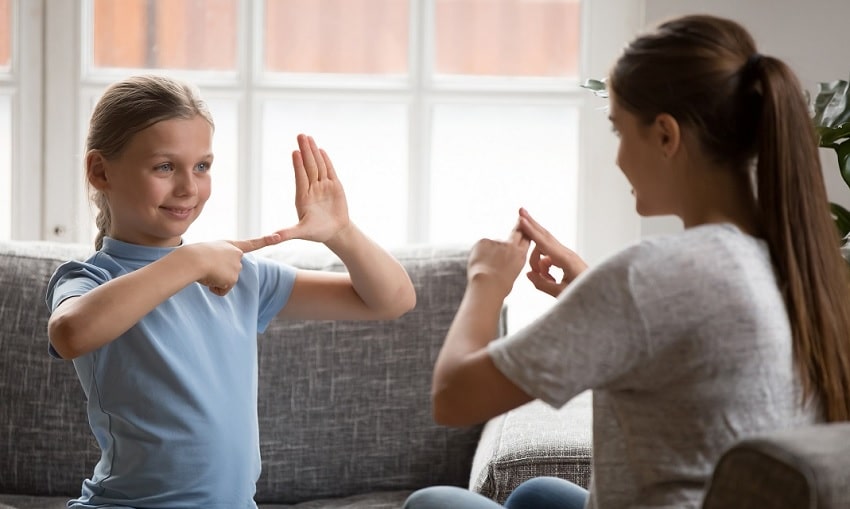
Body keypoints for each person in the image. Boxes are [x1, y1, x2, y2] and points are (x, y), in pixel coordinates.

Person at [404, 13, 850, 509]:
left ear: (665, 135)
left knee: (431, 504)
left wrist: (487, 280)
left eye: (619, 131)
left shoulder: (649, 276)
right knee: (537, 495)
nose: (616, 159)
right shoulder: (794, 261)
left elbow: (453, 396)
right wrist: (591, 289)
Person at [45, 74, 416, 509]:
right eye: (165, 166)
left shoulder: (241, 276)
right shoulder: (92, 278)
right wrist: (191, 261)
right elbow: (70, 333)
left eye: (202, 166)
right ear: (100, 170)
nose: (188, 187)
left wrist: (342, 233)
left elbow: (392, 300)